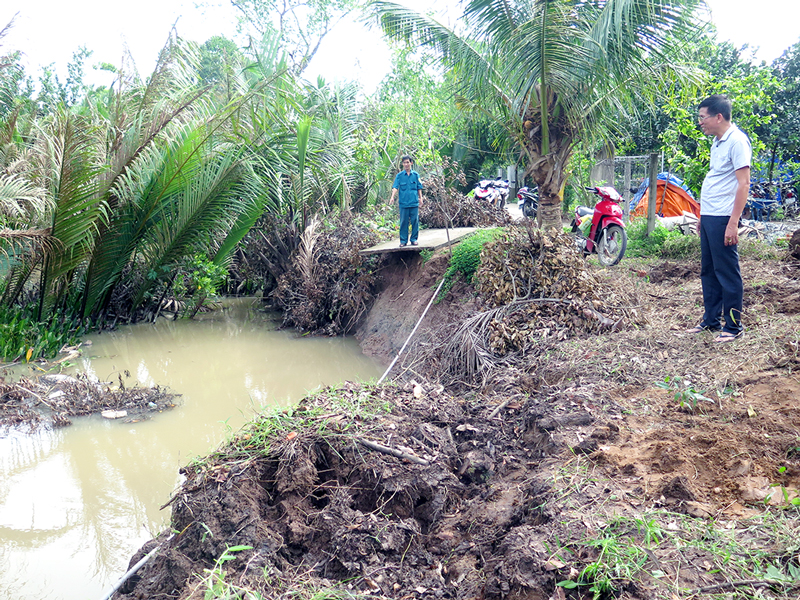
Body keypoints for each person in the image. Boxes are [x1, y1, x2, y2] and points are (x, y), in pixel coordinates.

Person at [686, 94, 751, 343]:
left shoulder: (737, 142)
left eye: (703, 117)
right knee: (709, 270)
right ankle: (711, 320)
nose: (700, 122)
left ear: (718, 116)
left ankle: (734, 327)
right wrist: (703, 213)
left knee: (727, 271)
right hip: (710, 215)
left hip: (725, 216)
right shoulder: (717, 142)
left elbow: (743, 184)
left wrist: (733, 222)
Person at [390, 155, 424, 247]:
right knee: (403, 222)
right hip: (403, 203)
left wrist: (420, 198)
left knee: (415, 221)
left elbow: (419, 187)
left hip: (414, 203)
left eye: (408, 162)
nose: (406, 164)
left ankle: (414, 239)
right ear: (402, 164)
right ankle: (403, 241)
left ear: (411, 163)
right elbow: (395, 187)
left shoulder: (416, 175)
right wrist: (392, 197)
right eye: (404, 163)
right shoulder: (399, 176)